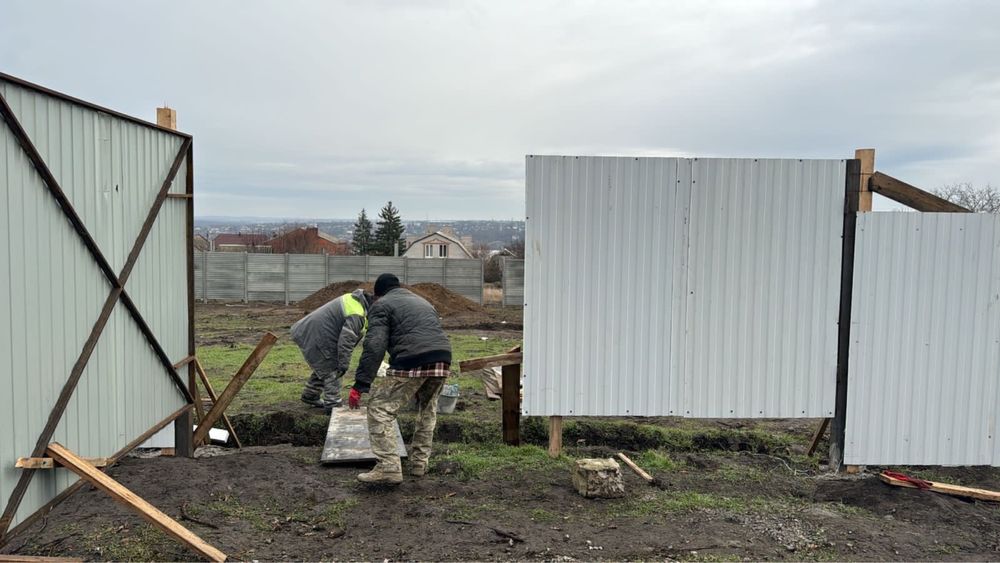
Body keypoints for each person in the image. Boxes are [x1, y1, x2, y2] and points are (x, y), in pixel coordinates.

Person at [349, 273, 452, 484]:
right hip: (442, 358)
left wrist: (361, 384)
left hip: (412, 358)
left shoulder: (381, 305)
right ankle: (418, 465)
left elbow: (374, 346)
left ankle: (388, 467)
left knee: (379, 409)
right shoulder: (422, 301)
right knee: (427, 410)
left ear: (378, 294)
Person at [290, 288, 372, 412]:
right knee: (333, 367)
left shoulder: (354, 300)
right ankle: (332, 405)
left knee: (323, 365)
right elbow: (346, 342)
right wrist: (343, 364)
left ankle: (310, 395)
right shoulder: (357, 313)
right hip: (316, 334)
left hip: (312, 329)